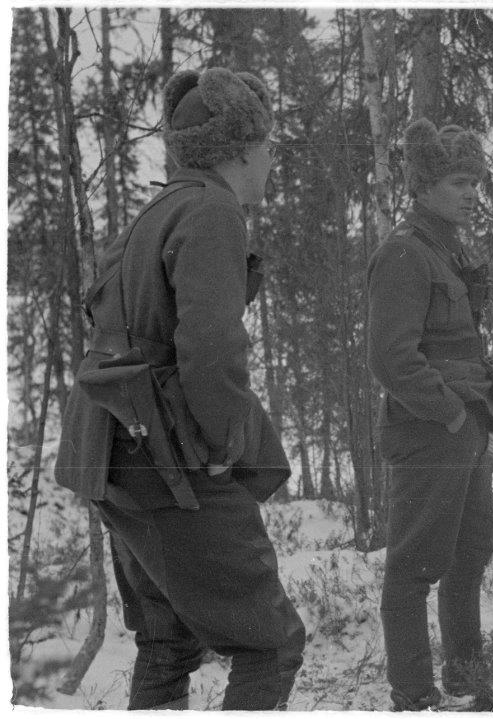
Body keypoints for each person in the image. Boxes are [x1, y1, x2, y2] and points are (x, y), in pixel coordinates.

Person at [54, 67, 305, 710]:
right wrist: (224, 443)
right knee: (270, 644)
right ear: (240, 149)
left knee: (167, 643)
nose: (272, 159)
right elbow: (211, 348)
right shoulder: (214, 211)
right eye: (268, 145)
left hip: (116, 454)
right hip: (167, 460)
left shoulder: (160, 208)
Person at [366, 118, 493, 711]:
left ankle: (466, 678)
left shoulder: (448, 252)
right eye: (459, 182)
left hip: (462, 429)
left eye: (475, 181)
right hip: (430, 432)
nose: (472, 193)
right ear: (424, 186)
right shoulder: (405, 252)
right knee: (413, 566)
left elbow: (462, 350)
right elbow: (391, 358)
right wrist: (452, 417)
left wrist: (478, 425)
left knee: (470, 552)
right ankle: (414, 696)